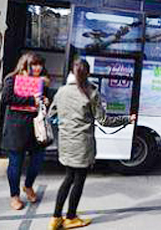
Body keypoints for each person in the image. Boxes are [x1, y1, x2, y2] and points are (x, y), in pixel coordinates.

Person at [47, 59, 136, 229]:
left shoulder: (61, 91)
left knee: (67, 179)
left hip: (65, 144)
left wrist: (67, 124)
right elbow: (104, 120)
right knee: (78, 181)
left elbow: (52, 114)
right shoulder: (91, 92)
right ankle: (71, 217)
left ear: (72, 73)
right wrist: (127, 119)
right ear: (87, 73)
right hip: (82, 145)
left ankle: (55, 218)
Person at [1, 52, 50, 210]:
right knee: (15, 163)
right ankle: (14, 195)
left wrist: (45, 101)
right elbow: (6, 99)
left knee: (37, 161)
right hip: (16, 128)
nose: (38, 68)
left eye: (40, 65)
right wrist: (31, 100)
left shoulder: (42, 82)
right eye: (34, 64)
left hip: (36, 128)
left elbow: (44, 101)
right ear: (25, 64)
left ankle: (28, 186)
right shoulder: (12, 79)